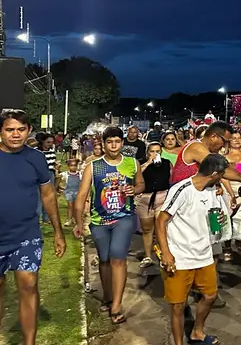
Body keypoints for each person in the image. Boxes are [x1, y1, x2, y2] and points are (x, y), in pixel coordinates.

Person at [0, 109, 66, 345]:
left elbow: (48, 196)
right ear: (1, 131)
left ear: (28, 131)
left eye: (21, 129)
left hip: (26, 236)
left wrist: (58, 232)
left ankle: (30, 343)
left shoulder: (36, 158)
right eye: (10, 129)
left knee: (28, 284)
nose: (15, 135)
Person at [73, 126, 144, 325]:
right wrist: (79, 222)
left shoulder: (132, 163)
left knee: (117, 258)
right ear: (103, 144)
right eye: (109, 142)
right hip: (99, 221)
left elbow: (141, 184)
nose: (114, 145)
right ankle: (108, 296)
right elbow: (82, 194)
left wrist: (134, 189)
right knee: (104, 260)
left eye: (117, 141)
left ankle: (116, 306)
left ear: (122, 143)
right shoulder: (93, 166)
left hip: (124, 217)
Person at [157, 153, 229, 345]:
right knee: (178, 306)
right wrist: (166, 253)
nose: (222, 178)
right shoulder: (182, 189)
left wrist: (221, 219)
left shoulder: (213, 190)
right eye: (222, 175)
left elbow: (216, 215)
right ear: (214, 174)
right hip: (180, 256)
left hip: (204, 254)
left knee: (210, 295)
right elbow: (161, 220)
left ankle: (197, 332)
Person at [136, 142, 173, 270]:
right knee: (147, 229)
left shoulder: (167, 163)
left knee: (160, 226)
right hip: (145, 199)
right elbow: (135, 176)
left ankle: (163, 254)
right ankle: (148, 256)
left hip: (161, 197)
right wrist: (148, 163)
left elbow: (172, 179)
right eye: (152, 151)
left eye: (158, 151)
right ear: (147, 153)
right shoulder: (140, 163)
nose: (155, 154)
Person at [60, 157, 82, 226]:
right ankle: (69, 219)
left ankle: (75, 219)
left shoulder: (80, 174)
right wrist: (60, 188)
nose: (73, 167)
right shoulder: (66, 174)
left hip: (77, 192)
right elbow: (58, 178)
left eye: (75, 165)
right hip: (69, 192)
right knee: (70, 206)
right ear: (68, 166)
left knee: (76, 207)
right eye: (71, 165)